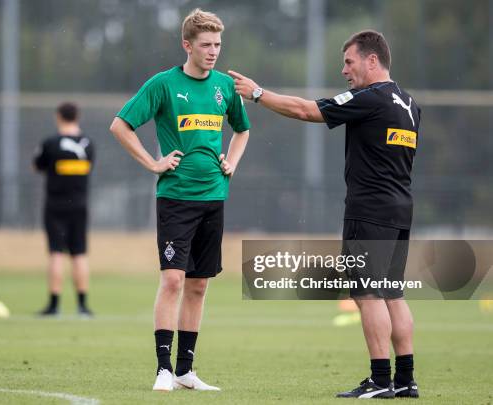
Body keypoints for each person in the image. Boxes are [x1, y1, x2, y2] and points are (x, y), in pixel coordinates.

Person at [229, 30, 419, 399]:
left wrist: (257, 93)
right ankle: (406, 379)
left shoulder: (370, 97)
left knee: (367, 294)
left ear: (372, 60)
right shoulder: (409, 103)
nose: (344, 70)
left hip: (370, 209)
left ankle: (381, 380)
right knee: (393, 293)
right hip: (400, 206)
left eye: (349, 62)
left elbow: (306, 110)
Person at [110, 8, 250, 392]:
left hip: (214, 198)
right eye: (206, 45)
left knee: (199, 286)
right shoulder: (163, 84)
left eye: (218, 44)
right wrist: (153, 163)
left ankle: (187, 370)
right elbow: (120, 125)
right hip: (176, 198)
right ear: (187, 45)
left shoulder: (224, 86)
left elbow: (242, 130)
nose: (213, 51)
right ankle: (163, 369)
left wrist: (232, 163)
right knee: (172, 281)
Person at [33, 102, 94, 317]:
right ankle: (82, 305)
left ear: (58, 117)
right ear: (77, 116)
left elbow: (37, 166)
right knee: (79, 254)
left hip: (55, 205)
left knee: (56, 253)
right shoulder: (88, 144)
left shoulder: (51, 143)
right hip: (79, 205)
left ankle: (54, 304)